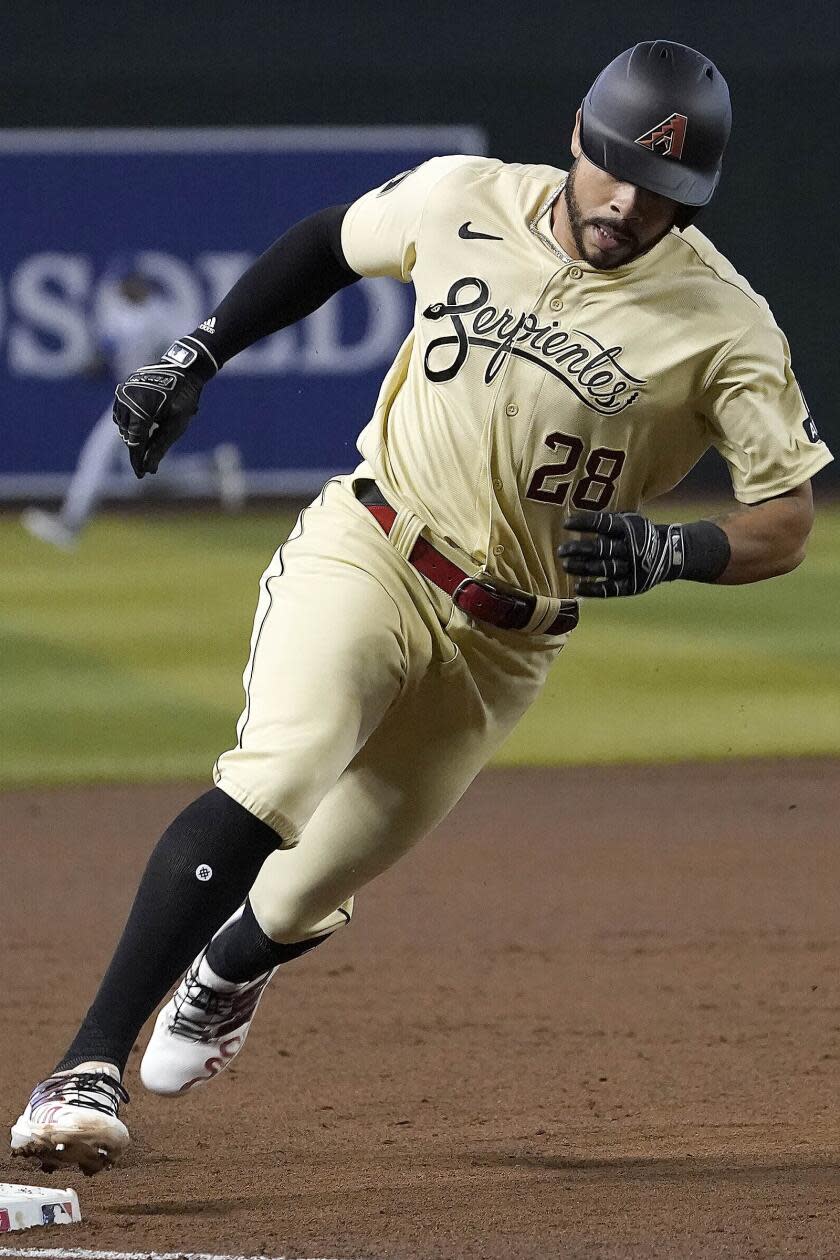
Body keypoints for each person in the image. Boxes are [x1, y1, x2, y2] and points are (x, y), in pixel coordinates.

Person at [11, 41, 832, 1175]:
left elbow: (786, 517)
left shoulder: (726, 323)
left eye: (664, 193)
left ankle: (236, 964)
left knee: (305, 887)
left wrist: (675, 549)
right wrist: (198, 353)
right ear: (578, 139)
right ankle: (83, 1066)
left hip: (507, 643)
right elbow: (327, 244)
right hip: (376, 548)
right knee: (279, 775)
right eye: (612, 169)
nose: (628, 202)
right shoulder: (463, 198)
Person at [21, 261, 246, 550]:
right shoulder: (119, 313)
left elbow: (189, 353)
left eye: (131, 283)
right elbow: (109, 354)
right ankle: (212, 470)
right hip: (132, 396)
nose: (127, 288)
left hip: (153, 398)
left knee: (98, 451)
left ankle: (71, 523)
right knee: (142, 481)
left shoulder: (160, 314)